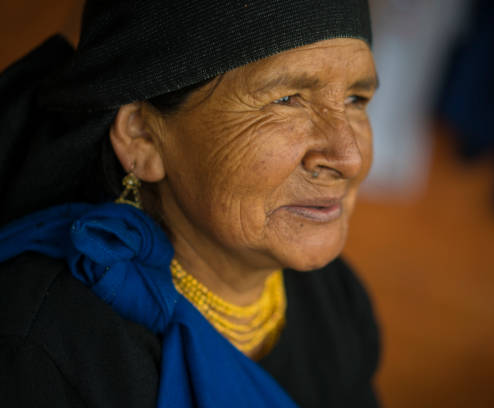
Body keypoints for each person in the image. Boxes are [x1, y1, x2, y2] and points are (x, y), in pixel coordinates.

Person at [0, 1, 380, 407]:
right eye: (286, 99)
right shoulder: (44, 350)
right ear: (143, 137)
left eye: (356, 100)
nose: (349, 156)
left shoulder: (333, 297)